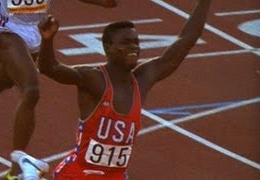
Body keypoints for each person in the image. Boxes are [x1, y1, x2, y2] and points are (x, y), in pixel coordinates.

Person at [0, 0, 118, 179]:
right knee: (31, 90)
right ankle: (17, 168)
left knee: (4, 80)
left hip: (34, 31)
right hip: (6, 28)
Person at [37, 0, 212, 179]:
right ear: (107, 47)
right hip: (79, 174)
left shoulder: (143, 80)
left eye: (136, 42)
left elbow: (186, 41)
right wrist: (47, 40)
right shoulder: (94, 79)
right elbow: (51, 68)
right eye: (126, 42)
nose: (133, 47)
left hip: (116, 176)